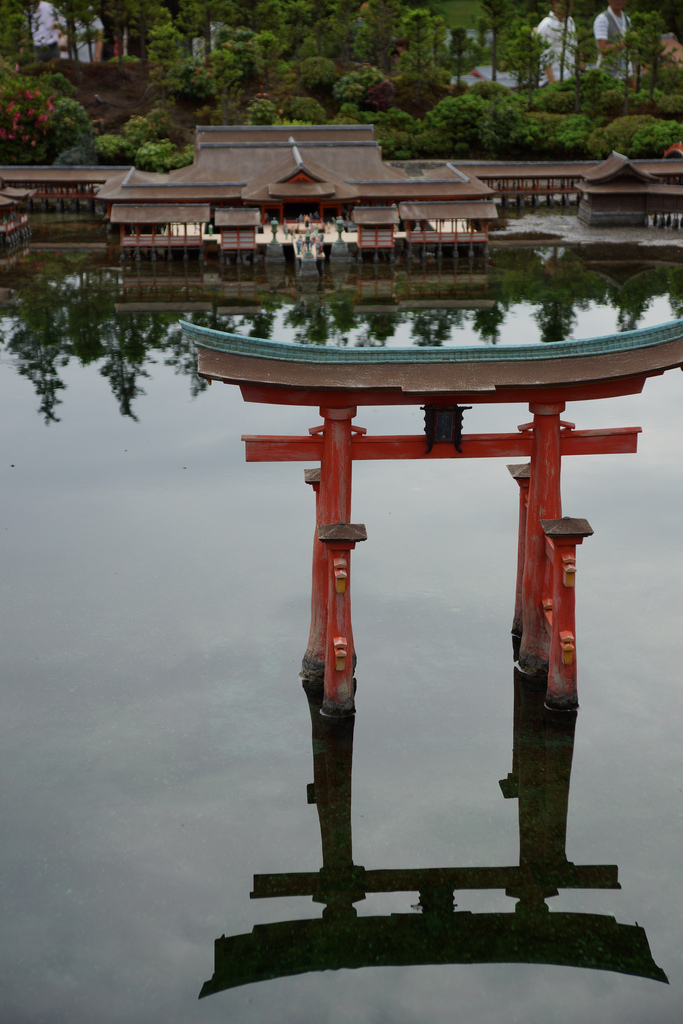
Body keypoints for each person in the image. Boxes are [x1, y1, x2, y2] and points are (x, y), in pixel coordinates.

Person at [536, 0, 577, 83]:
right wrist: (553, 84)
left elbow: (574, 49)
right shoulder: (547, 24)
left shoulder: (570, 22)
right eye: (566, 3)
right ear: (555, 2)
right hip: (552, 82)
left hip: (569, 79)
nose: (570, 6)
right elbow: (545, 57)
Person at [593, 0, 631, 66]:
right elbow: (602, 49)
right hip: (608, 71)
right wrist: (625, 43)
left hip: (626, 70)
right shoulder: (602, 19)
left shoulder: (627, 19)